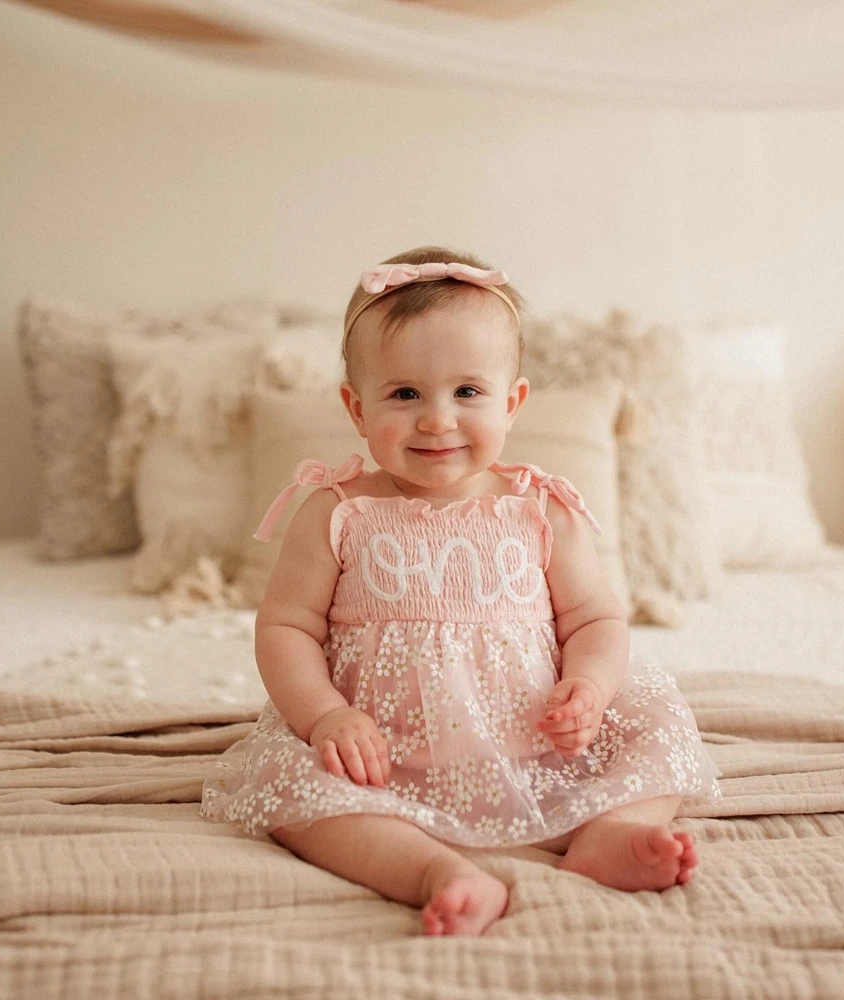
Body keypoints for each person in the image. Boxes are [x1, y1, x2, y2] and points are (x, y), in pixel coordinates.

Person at [201, 245, 721, 937]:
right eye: (405, 393)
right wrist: (326, 717)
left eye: (467, 392)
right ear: (357, 408)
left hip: (542, 748)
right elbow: (286, 628)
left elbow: (596, 618)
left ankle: (610, 833)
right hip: (380, 759)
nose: (437, 419)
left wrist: (590, 690)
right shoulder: (337, 511)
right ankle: (432, 871)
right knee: (291, 793)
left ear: (513, 402)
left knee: (657, 728)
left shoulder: (541, 509)